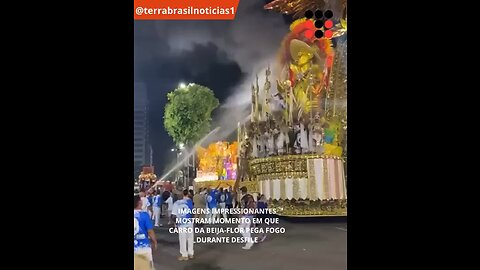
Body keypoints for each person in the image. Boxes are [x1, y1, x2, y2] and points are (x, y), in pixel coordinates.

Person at [134, 195, 157, 269]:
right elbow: (150, 231)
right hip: (143, 247)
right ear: (139, 203)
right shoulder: (144, 215)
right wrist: (154, 241)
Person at [171, 189, 194, 261]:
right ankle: (191, 253)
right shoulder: (189, 201)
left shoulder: (176, 203)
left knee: (182, 239)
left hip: (182, 224)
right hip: (189, 222)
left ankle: (184, 255)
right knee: (190, 238)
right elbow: (193, 212)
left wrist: (175, 224)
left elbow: (173, 216)